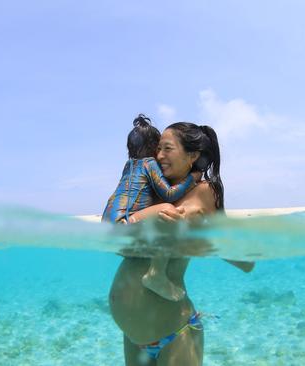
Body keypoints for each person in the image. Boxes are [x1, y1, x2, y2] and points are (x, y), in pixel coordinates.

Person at [109, 122, 254, 366]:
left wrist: (204, 240)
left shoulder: (205, 191)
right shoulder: (151, 190)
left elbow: (246, 261)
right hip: (133, 338)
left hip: (175, 334)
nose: (159, 156)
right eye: (158, 149)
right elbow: (119, 245)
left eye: (167, 148)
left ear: (193, 156)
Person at [102, 114, 200, 302]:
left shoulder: (128, 165)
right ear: (154, 147)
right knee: (168, 210)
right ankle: (156, 275)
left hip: (109, 228)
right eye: (159, 148)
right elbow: (169, 194)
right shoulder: (149, 163)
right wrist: (192, 179)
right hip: (124, 223)